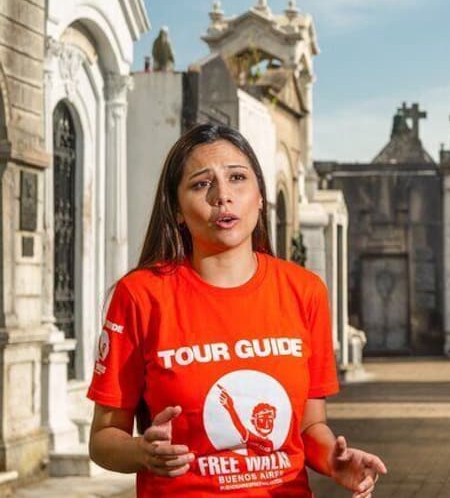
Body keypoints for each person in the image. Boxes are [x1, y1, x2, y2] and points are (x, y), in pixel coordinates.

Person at [87, 123, 386, 497]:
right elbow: (102, 439)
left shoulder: (304, 291)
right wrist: (141, 452)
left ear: (260, 197)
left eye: (238, 178)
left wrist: (334, 461)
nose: (222, 196)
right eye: (201, 184)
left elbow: (310, 427)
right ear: (177, 210)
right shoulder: (141, 296)